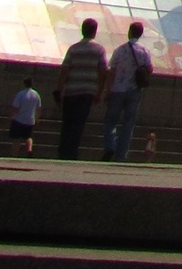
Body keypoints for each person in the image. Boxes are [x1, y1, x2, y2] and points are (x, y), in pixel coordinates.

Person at [54, 19, 107, 160]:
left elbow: (64, 71)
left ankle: (63, 151)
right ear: (95, 32)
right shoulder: (99, 50)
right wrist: (100, 92)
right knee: (78, 123)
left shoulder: (73, 49)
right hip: (87, 92)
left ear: (82, 30)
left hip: (71, 92)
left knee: (67, 122)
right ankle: (72, 152)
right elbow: (103, 72)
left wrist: (59, 90)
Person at [101, 22, 152, 162]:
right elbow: (150, 69)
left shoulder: (120, 50)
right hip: (134, 90)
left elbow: (112, 71)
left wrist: (107, 90)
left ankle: (110, 145)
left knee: (111, 120)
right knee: (128, 124)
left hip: (117, 89)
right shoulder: (144, 51)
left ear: (129, 32)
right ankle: (121, 155)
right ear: (141, 34)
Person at [9, 73, 41, 156]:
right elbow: (38, 108)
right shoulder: (36, 95)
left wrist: (12, 117)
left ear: (24, 84)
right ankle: (29, 149)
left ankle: (15, 154)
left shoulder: (20, 94)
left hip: (19, 119)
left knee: (16, 139)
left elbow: (15, 107)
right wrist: (37, 119)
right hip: (30, 120)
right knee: (28, 137)